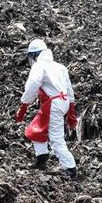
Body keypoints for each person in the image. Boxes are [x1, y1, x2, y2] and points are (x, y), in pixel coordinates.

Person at [14, 39, 78, 179]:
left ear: (34, 55)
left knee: (56, 139)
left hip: (52, 104)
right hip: (61, 102)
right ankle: (41, 159)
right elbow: (69, 89)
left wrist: (23, 106)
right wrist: (71, 111)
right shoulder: (60, 67)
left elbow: (32, 86)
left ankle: (70, 169)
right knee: (36, 129)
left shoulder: (39, 66)